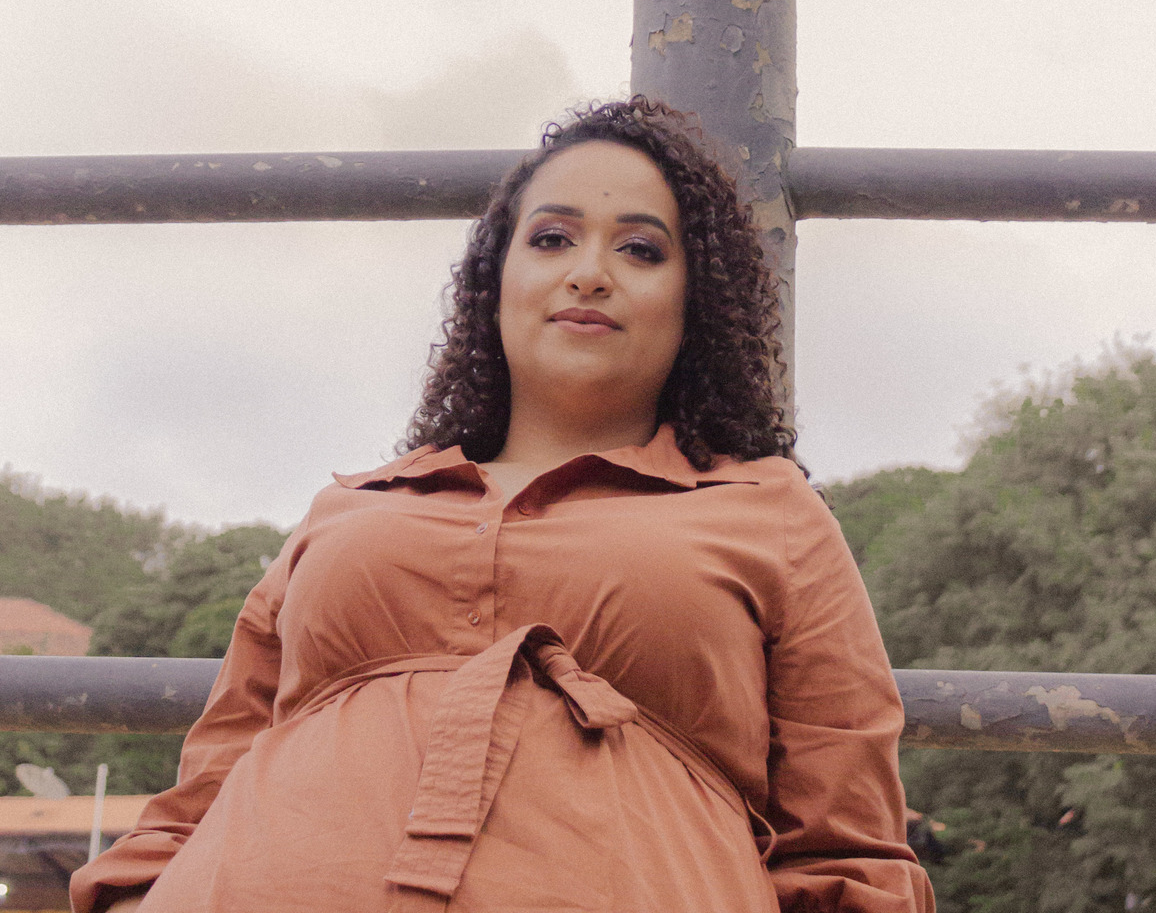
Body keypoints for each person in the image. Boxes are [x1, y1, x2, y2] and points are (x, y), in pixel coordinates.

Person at [71, 96, 934, 913]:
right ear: (497, 279)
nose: (588, 273)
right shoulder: (352, 508)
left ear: (695, 296)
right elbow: (203, 791)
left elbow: (845, 849)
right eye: (552, 238)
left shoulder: (768, 511)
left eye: (641, 250)